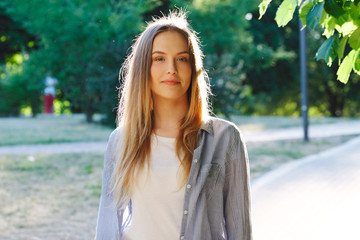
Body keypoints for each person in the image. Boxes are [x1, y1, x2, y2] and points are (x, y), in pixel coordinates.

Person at [95, 11, 252, 240]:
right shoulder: (121, 140)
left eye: (181, 58)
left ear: (193, 67)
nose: (172, 69)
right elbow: (107, 227)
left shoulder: (225, 139)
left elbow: (241, 232)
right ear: (143, 68)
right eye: (159, 58)